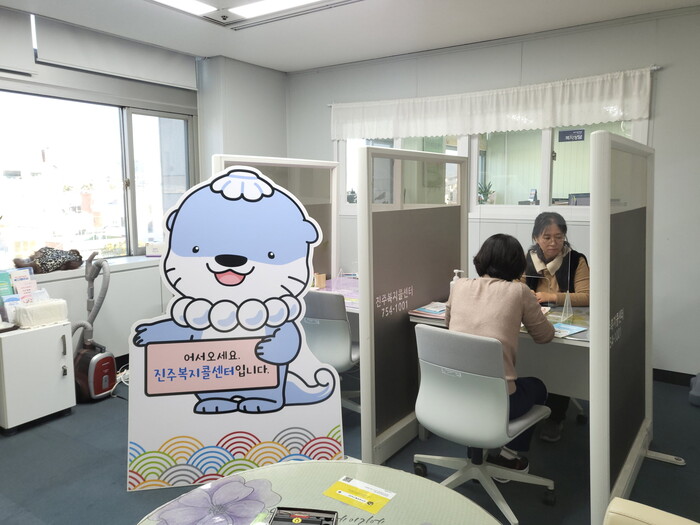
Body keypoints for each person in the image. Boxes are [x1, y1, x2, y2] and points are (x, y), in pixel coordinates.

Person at [446, 233, 554, 475]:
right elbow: (545, 336)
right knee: (538, 387)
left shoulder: (459, 286)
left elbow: (448, 325)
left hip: (455, 395)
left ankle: (477, 449)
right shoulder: (519, 292)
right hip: (499, 403)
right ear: (517, 264)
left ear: (481, 259)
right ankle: (508, 456)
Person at [522, 211, 590, 442]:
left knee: (560, 362)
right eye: (547, 237)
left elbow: (587, 296)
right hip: (536, 320)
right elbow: (515, 286)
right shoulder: (528, 258)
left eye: (559, 237)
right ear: (536, 237)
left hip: (567, 322)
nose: (553, 243)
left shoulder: (576, 260)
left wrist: (549, 296)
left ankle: (556, 416)